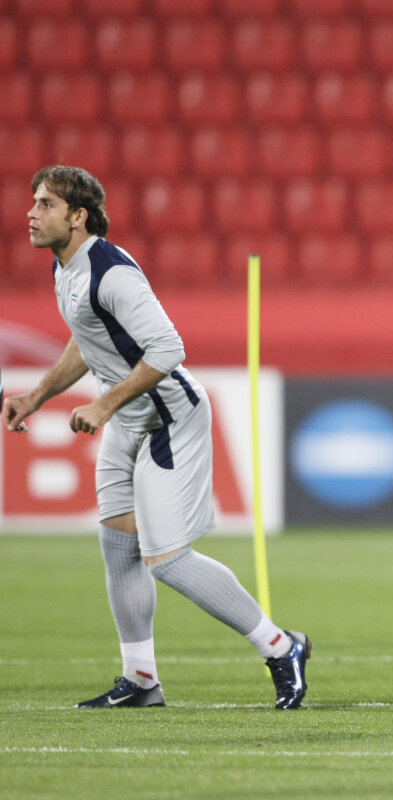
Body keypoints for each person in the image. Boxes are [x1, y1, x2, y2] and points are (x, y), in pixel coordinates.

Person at [3, 166, 311, 710]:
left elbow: (169, 349)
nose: (31, 212)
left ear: (78, 217)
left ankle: (282, 646)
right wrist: (38, 397)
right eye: (34, 201)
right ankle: (142, 679)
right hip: (128, 422)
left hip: (170, 418)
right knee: (119, 547)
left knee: (166, 558)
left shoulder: (110, 272)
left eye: (46, 204)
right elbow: (86, 338)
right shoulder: (65, 268)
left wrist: (104, 404)